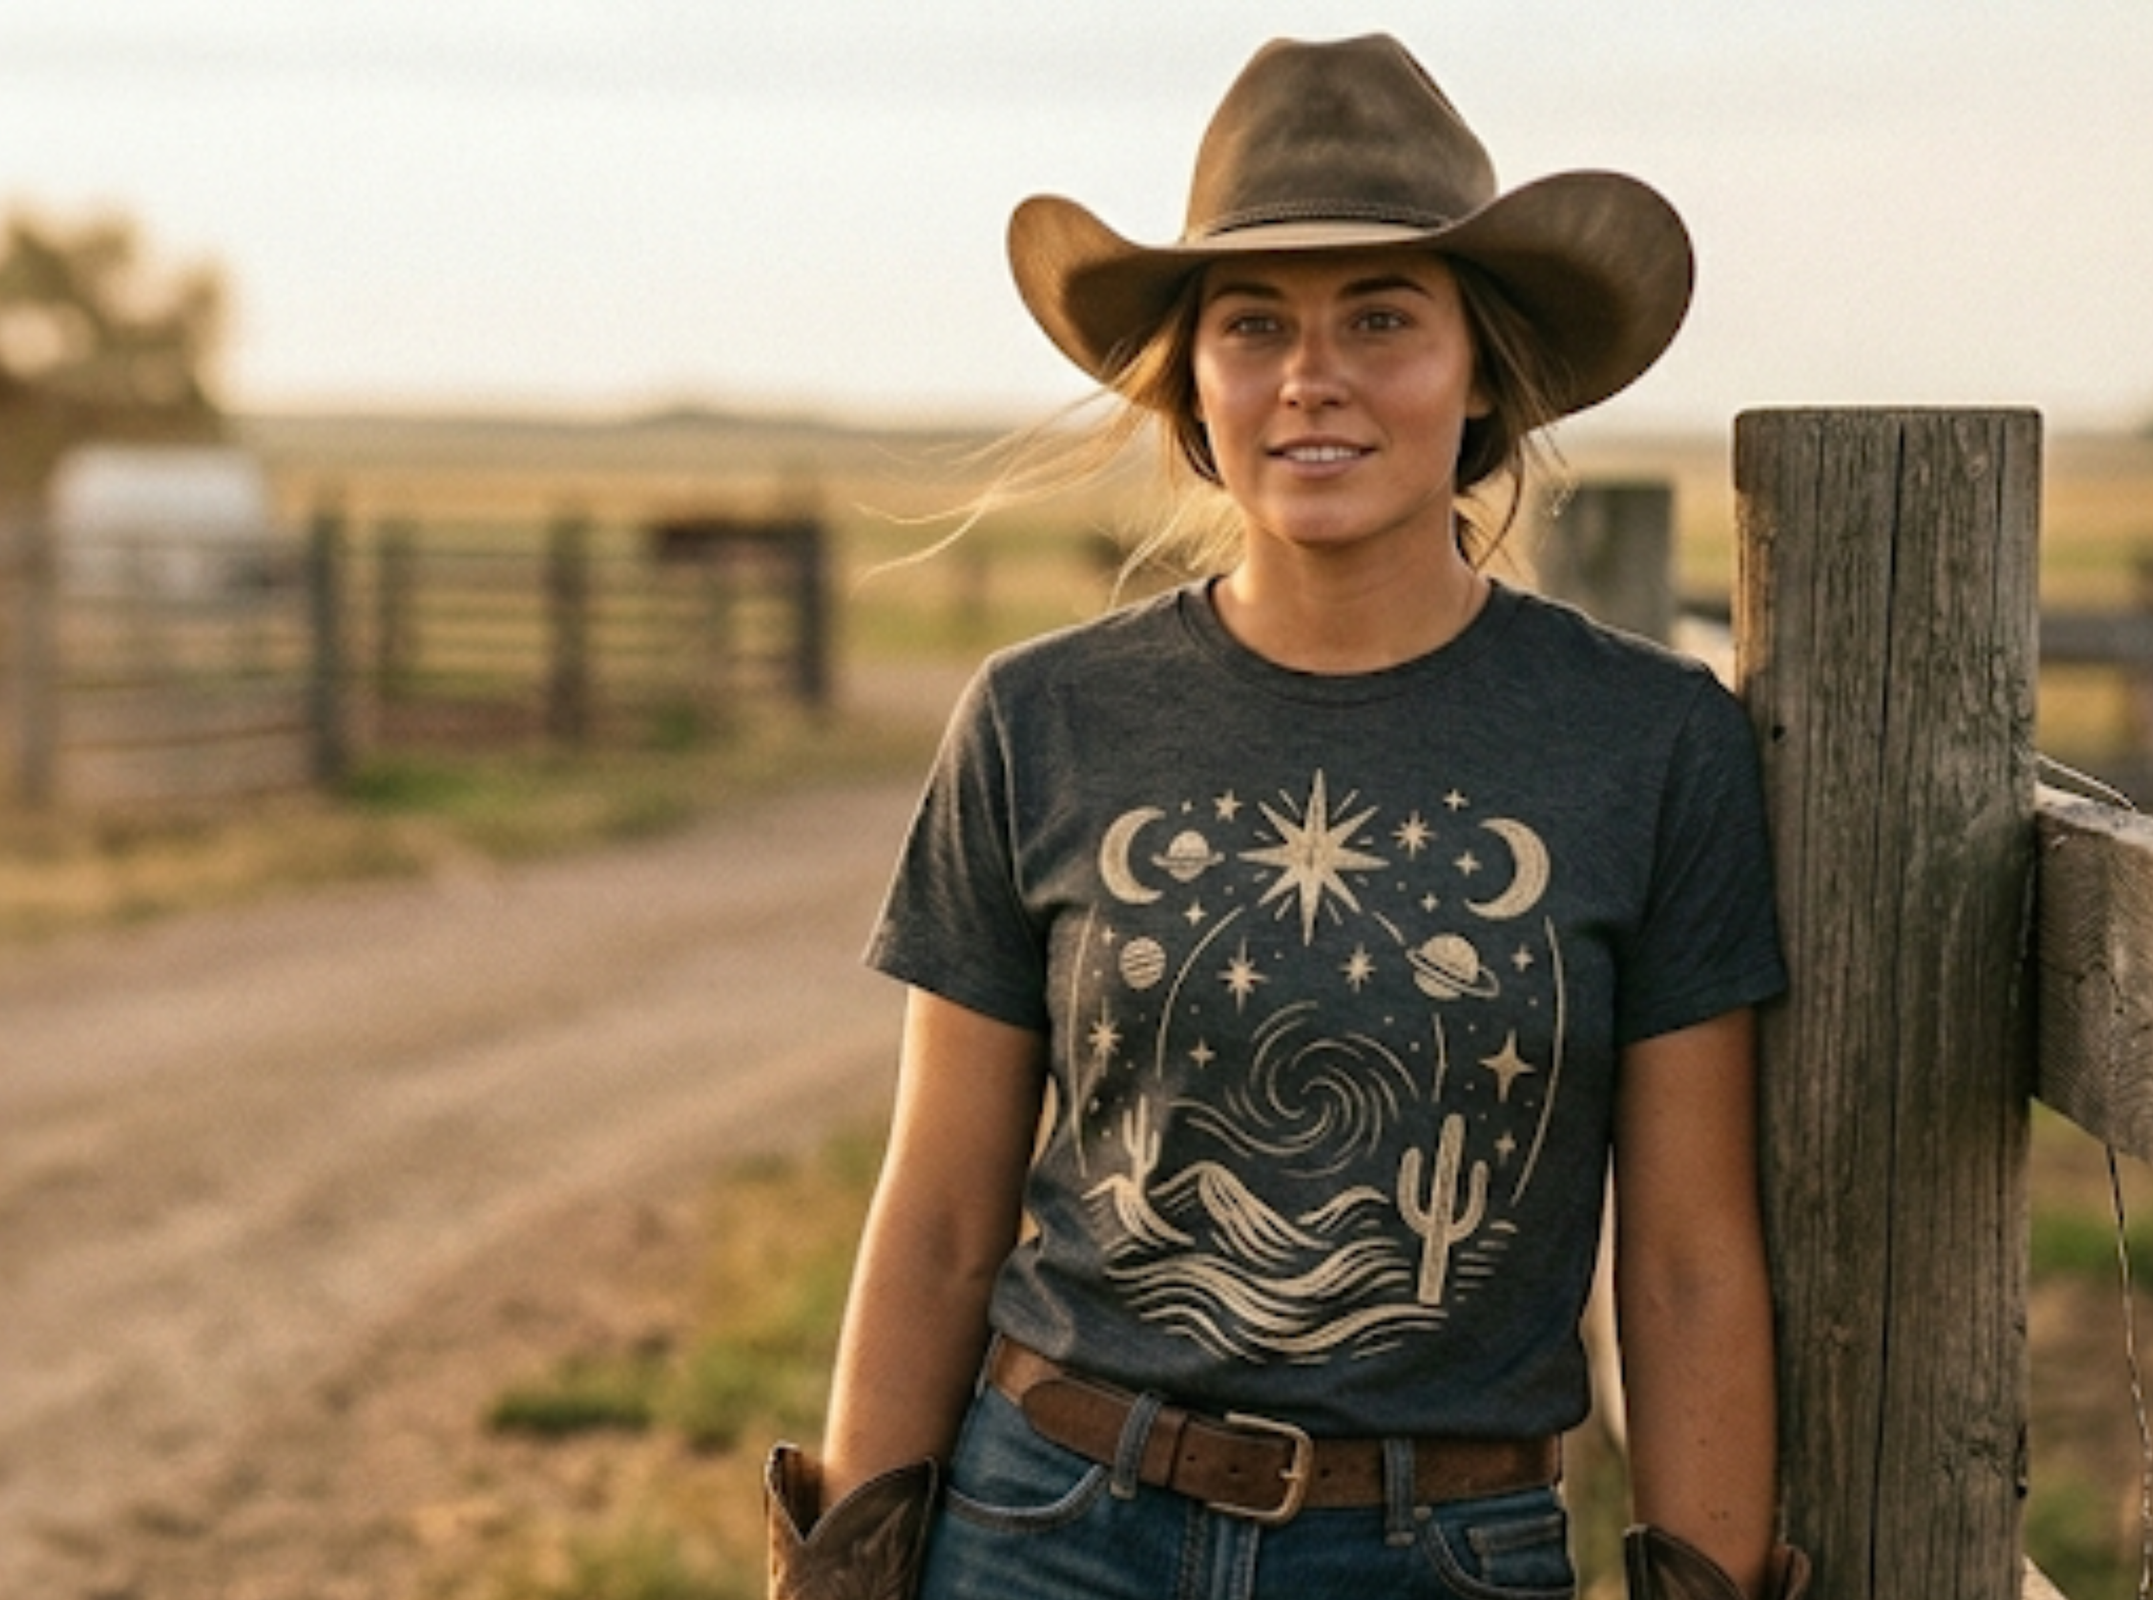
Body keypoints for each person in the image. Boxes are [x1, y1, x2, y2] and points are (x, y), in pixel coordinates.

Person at [761, 35, 1810, 1600]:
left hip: (1441, 1552)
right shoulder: (1041, 720)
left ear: (1480, 371)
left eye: (1382, 319)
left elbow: (1685, 1262)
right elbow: (940, 1209)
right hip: (1044, 1526)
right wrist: (839, 1566)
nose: (1313, 377)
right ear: (1194, 380)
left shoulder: (1651, 746)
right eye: (1255, 326)